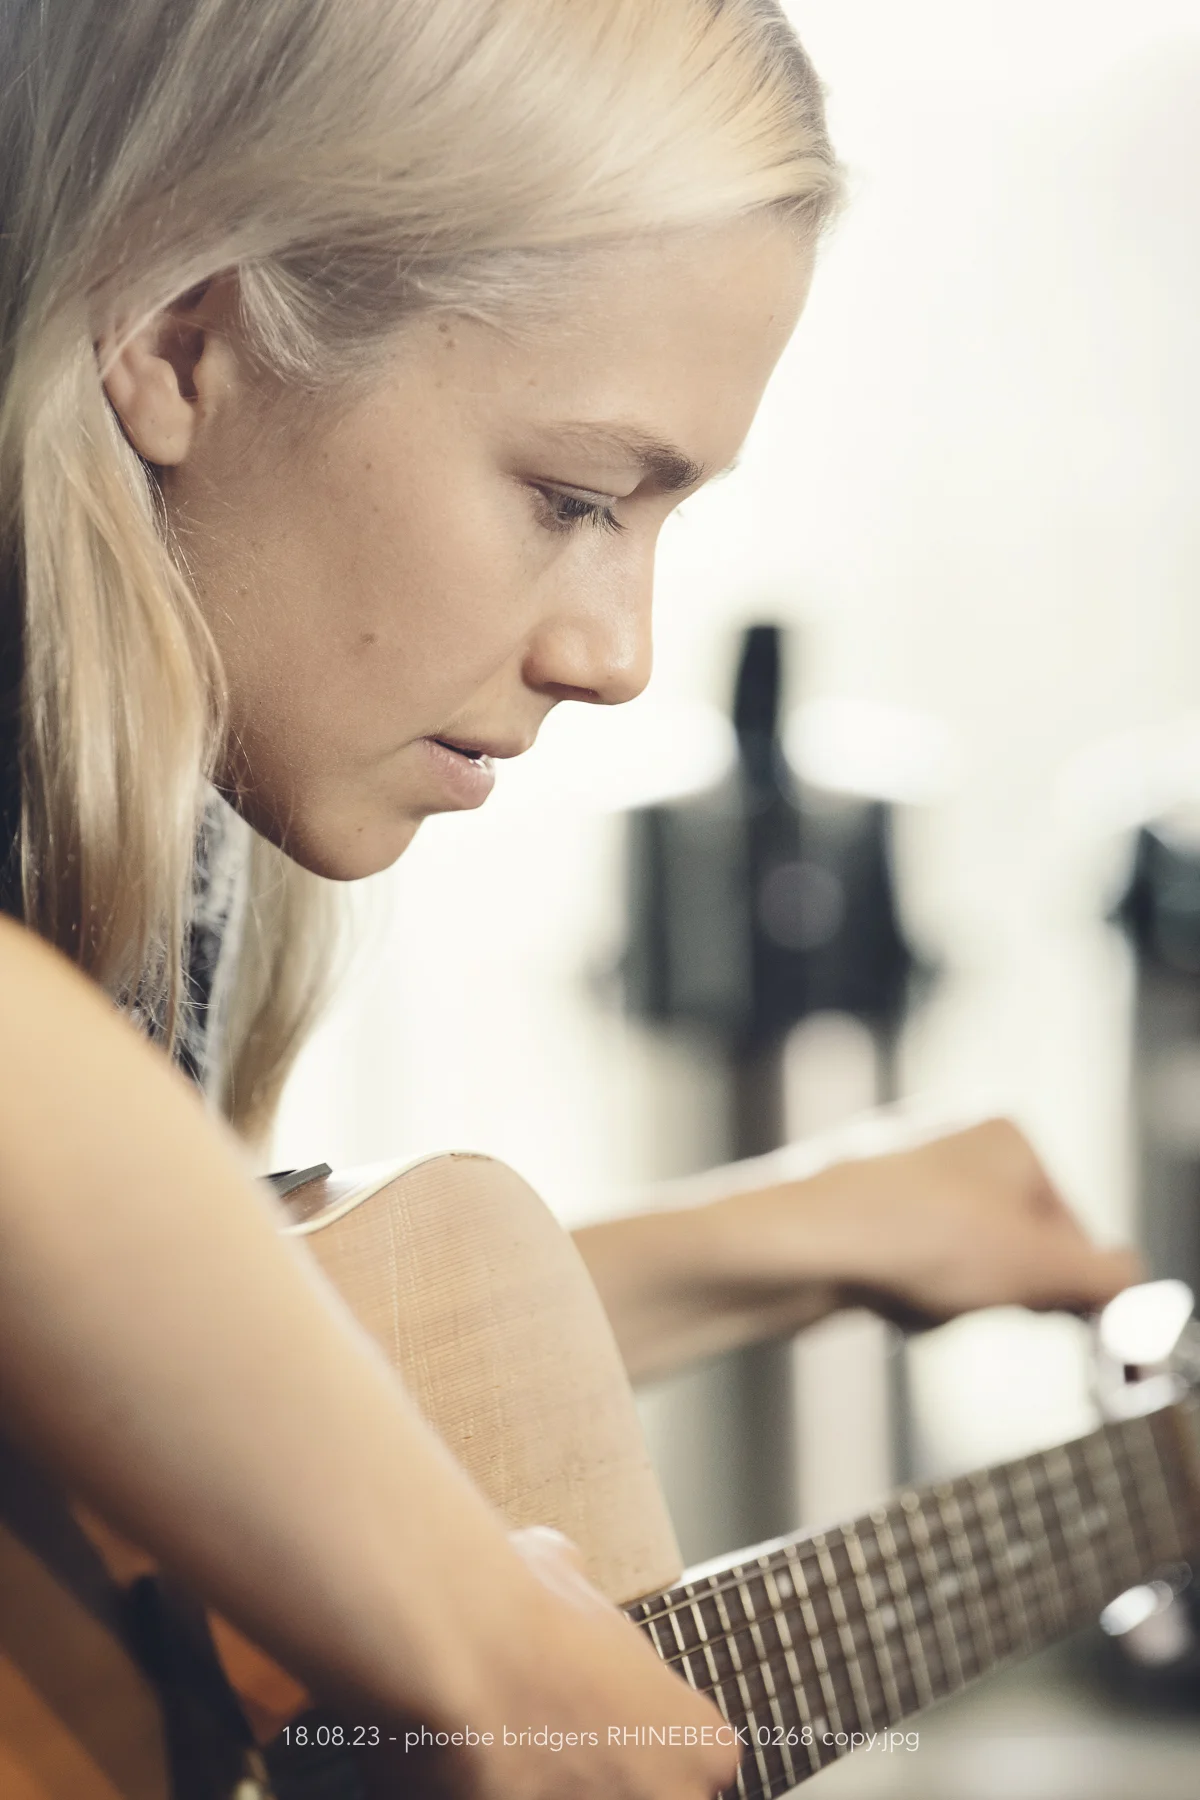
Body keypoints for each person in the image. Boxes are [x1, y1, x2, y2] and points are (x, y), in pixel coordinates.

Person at [0, 2, 1139, 1795]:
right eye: (573, 495)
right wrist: (479, 1645)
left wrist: (791, 1238)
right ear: (181, 337)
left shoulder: (169, 784)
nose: (619, 658)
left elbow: (136, 1434)